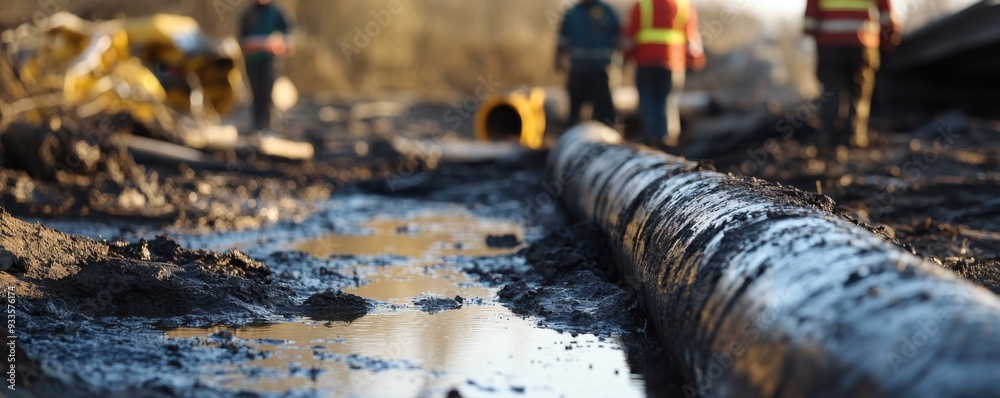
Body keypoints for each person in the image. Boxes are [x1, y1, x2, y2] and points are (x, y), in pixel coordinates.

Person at [805, 0, 899, 149]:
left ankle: (829, 136)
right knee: (859, 91)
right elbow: (887, 16)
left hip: (829, 45)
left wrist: (816, 33)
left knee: (831, 89)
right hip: (862, 43)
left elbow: (809, 22)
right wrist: (889, 38)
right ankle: (854, 136)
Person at [623, 0, 705, 148]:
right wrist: (696, 60)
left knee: (647, 100)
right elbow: (692, 41)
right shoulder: (683, 5)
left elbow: (629, 38)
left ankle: (651, 139)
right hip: (674, 63)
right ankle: (667, 138)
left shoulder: (642, 5)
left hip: (646, 62)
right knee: (668, 100)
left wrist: (627, 56)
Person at [556, 0, 621, 128]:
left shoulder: (607, 11)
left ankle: (611, 132)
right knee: (574, 108)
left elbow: (618, 36)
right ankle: (572, 132)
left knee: (605, 108)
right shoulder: (572, 13)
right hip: (578, 70)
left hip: (600, 70)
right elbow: (562, 40)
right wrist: (558, 61)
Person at [240, 0, 293, 133]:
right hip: (251, 62)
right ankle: (256, 126)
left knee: (267, 94)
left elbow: (289, 38)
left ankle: (267, 127)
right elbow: (242, 40)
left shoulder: (277, 12)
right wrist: (259, 44)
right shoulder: (248, 13)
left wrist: (279, 44)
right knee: (255, 94)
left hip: (270, 62)